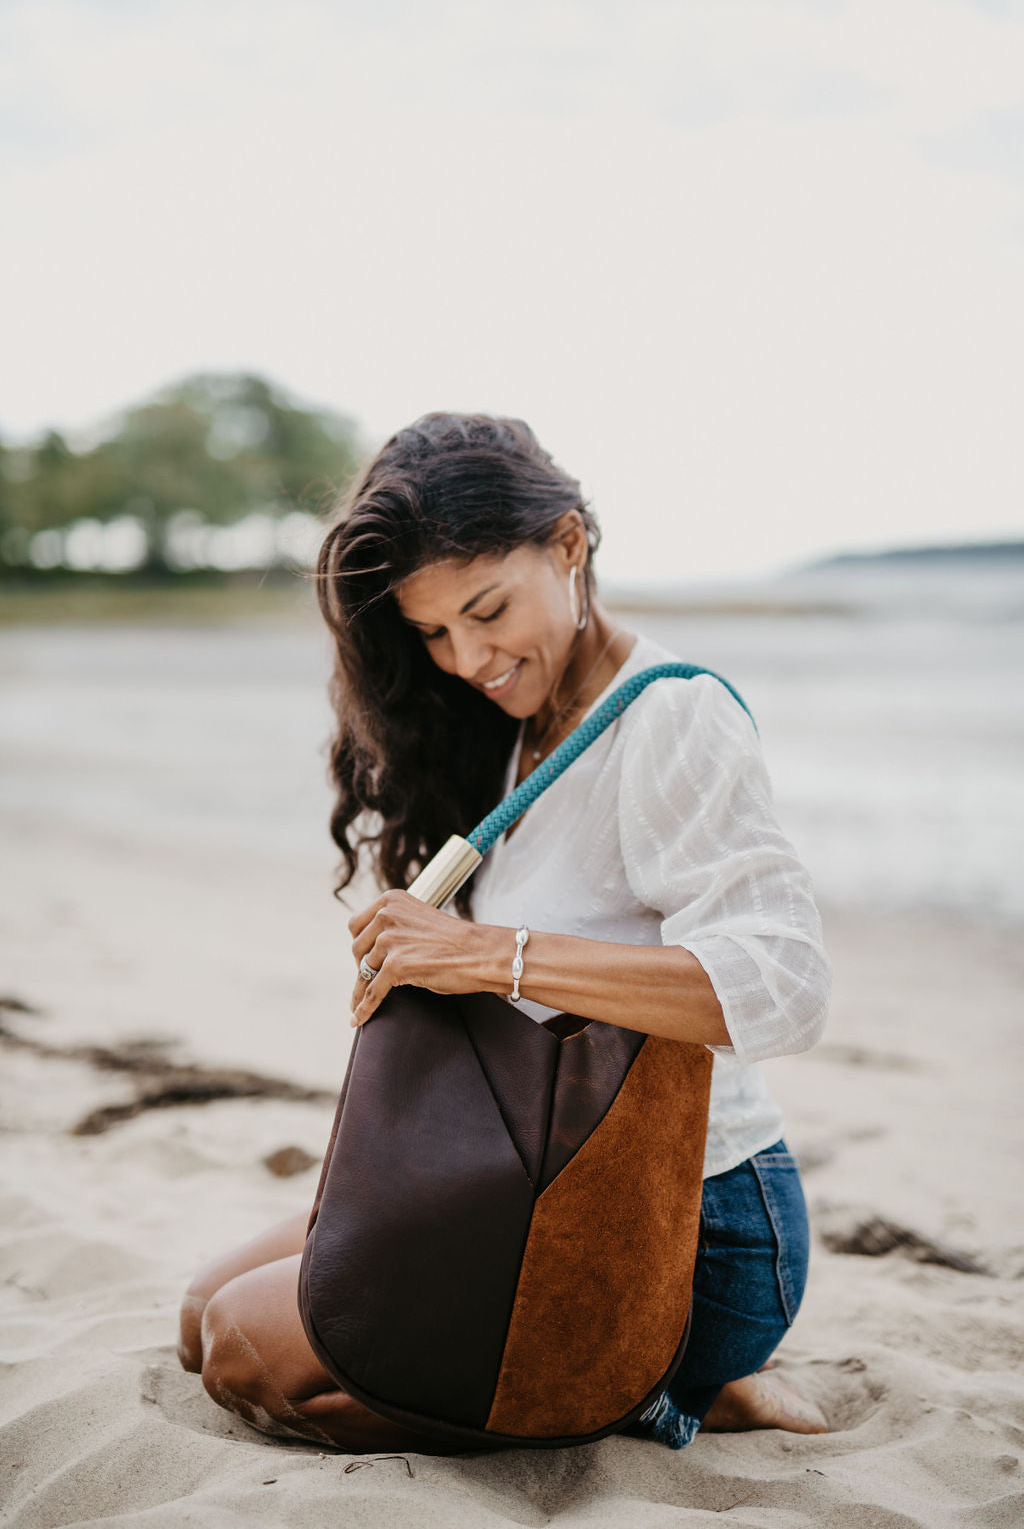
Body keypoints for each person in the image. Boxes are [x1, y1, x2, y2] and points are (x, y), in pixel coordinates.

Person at [177, 411, 832, 1453]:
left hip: (689, 1222)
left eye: (486, 611)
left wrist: (490, 957)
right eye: (433, 633)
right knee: (198, 1319)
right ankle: (649, 1391)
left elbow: (783, 986)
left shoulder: (670, 716)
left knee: (253, 1356)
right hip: (522, 1173)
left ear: (568, 546)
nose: (467, 657)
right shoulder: (520, 727)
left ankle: (664, 1386)